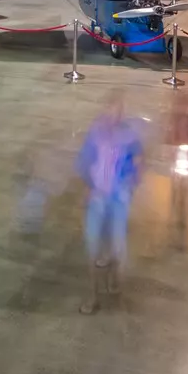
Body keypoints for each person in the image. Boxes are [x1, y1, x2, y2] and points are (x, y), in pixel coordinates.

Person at [76, 98, 144, 313]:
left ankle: (115, 281)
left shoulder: (128, 135)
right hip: (98, 197)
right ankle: (93, 295)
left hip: (117, 199)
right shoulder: (95, 132)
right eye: (111, 111)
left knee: (117, 245)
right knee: (92, 247)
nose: (113, 117)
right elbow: (84, 161)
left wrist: (130, 184)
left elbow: (138, 161)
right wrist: (88, 186)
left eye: (118, 112)